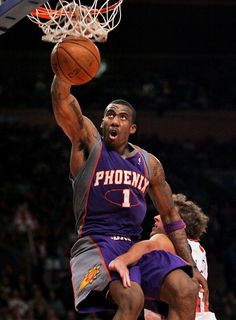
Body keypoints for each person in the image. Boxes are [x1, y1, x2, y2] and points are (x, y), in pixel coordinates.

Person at [50, 73, 206, 320]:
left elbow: (170, 216)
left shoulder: (149, 164)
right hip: (95, 243)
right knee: (133, 298)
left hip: (132, 247)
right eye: (110, 115)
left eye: (123, 117)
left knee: (185, 289)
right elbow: (61, 99)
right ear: (102, 122)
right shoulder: (88, 144)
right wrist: (63, 72)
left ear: (132, 128)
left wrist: (192, 267)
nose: (115, 120)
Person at [109, 193, 216, 320]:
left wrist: (122, 260)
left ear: (179, 226)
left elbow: (149, 246)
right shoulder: (199, 249)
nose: (156, 217)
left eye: (164, 216)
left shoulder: (166, 241)